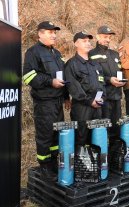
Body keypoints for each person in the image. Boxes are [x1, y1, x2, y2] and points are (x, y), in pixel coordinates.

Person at [23, 21, 70, 181]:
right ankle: (44, 167)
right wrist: (50, 82)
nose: (54, 35)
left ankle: (54, 164)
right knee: (45, 135)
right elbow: (28, 76)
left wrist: (66, 97)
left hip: (58, 102)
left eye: (54, 32)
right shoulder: (32, 52)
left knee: (57, 135)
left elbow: (62, 76)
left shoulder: (56, 53)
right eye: (50, 32)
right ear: (40, 34)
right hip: (44, 103)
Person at [65, 31, 106, 146]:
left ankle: (94, 163)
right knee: (81, 139)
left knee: (96, 139)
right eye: (84, 41)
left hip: (97, 107)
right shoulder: (71, 64)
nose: (88, 43)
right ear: (76, 44)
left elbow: (102, 83)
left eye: (89, 41)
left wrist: (102, 97)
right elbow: (73, 87)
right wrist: (89, 100)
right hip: (82, 108)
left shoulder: (95, 64)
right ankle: (80, 163)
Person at [89, 25, 125, 138]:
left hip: (116, 97)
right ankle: (104, 153)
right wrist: (109, 80)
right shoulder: (91, 55)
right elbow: (93, 76)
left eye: (109, 37)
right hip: (103, 98)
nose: (108, 40)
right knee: (104, 128)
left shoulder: (115, 54)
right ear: (97, 37)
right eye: (105, 37)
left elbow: (120, 71)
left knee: (116, 128)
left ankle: (115, 153)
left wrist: (122, 79)